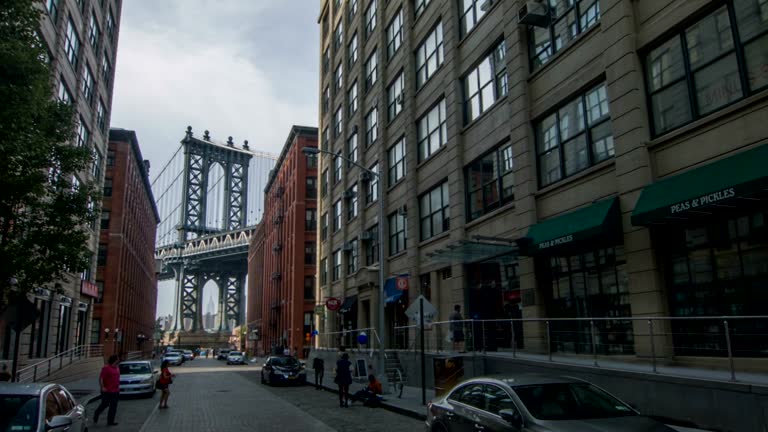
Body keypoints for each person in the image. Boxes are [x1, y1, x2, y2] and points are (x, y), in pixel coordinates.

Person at [93, 355, 120, 426]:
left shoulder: (117, 368)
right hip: (107, 391)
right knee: (104, 405)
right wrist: (102, 387)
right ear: (115, 360)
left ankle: (110, 421)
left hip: (115, 391)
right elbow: (101, 378)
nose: (119, 360)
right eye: (118, 359)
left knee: (113, 407)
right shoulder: (106, 368)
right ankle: (96, 413)